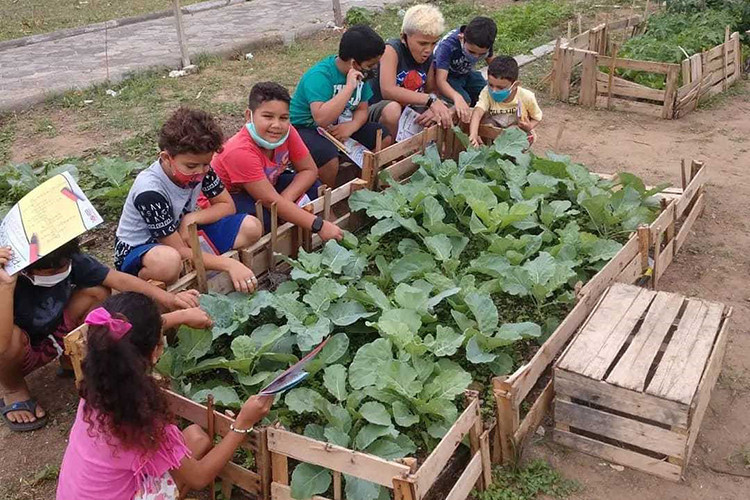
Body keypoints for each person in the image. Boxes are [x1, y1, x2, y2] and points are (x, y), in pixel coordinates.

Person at [56, 292, 273, 500]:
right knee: (196, 441)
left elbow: (129, 334)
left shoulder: (96, 389)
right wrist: (243, 423)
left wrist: (181, 316)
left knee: (196, 439)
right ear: (156, 352)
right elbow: (199, 478)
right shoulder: (142, 422)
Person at [0, 241, 200, 432]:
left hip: (54, 334)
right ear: (25, 268)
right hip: (17, 351)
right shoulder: (6, 277)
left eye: (65, 266)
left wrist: (170, 299)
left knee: (97, 291)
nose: (60, 273)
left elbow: (118, 279)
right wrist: (6, 287)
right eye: (52, 272)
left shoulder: (66, 257)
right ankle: (13, 389)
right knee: (11, 338)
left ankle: (70, 357)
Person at [115, 107, 262, 293]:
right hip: (142, 250)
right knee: (168, 262)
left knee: (251, 227)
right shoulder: (150, 191)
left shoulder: (201, 171)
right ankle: (140, 289)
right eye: (191, 166)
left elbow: (227, 206)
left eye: (206, 164)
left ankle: (193, 271)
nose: (200, 172)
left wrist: (191, 219)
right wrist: (228, 264)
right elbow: (178, 249)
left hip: (180, 237)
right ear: (167, 158)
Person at [210, 82, 343, 242]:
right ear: (249, 116)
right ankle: (278, 247)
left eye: (283, 118)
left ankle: (326, 230)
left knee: (314, 188)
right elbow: (269, 201)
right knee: (265, 217)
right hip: (231, 198)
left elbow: (309, 170)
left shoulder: (288, 132)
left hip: (266, 188)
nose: (276, 125)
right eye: (267, 116)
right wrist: (318, 225)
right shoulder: (239, 151)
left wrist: (285, 199)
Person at [290, 25, 393, 187]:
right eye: (371, 65)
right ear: (353, 63)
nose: (374, 69)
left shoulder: (361, 75)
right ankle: (327, 197)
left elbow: (362, 108)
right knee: (329, 158)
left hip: (340, 127)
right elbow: (321, 118)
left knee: (384, 137)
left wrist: (352, 126)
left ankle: (361, 182)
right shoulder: (319, 76)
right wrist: (348, 88)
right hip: (306, 128)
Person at [368, 3, 453, 138]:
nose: (428, 49)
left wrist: (434, 106)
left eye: (433, 43)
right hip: (378, 112)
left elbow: (431, 90)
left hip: (409, 112)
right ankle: (394, 153)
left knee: (445, 110)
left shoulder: (428, 56)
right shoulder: (391, 50)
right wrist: (430, 101)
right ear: (405, 37)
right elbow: (388, 90)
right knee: (392, 110)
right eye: (422, 43)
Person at [469, 56, 543, 148]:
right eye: (491, 85)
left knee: (520, 134)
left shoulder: (527, 97)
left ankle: (514, 157)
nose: (494, 91)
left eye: (500, 88)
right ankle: (491, 148)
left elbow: (537, 118)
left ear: (515, 85)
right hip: (495, 127)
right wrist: (473, 134)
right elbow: (477, 112)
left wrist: (529, 127)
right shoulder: (486, 92)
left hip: (517, 131)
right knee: (486, 124)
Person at [434, 16, 497, 123]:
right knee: (464, 102)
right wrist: (457, 97)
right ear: (461, 38)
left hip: (465, 73)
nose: (476, 57)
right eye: (471, 52)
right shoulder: (447, 46)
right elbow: (440, 80)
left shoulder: (485, 40)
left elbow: (494, 64)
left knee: (487, 94)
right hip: (447, 76)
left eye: (481, 54)